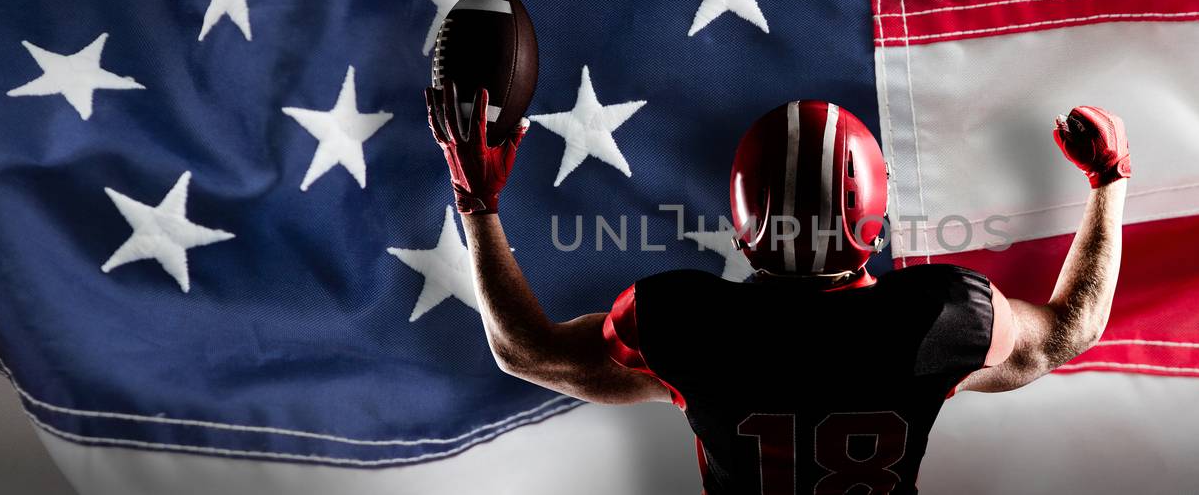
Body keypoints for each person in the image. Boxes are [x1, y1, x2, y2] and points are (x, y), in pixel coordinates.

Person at [423, 85, 1130, 494]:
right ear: (874, 225)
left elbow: (524, 349)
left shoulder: (685, 321)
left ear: (743, 225)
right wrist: (1109, 184)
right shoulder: (941, 316)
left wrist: (476, 202)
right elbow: (1074, 325)